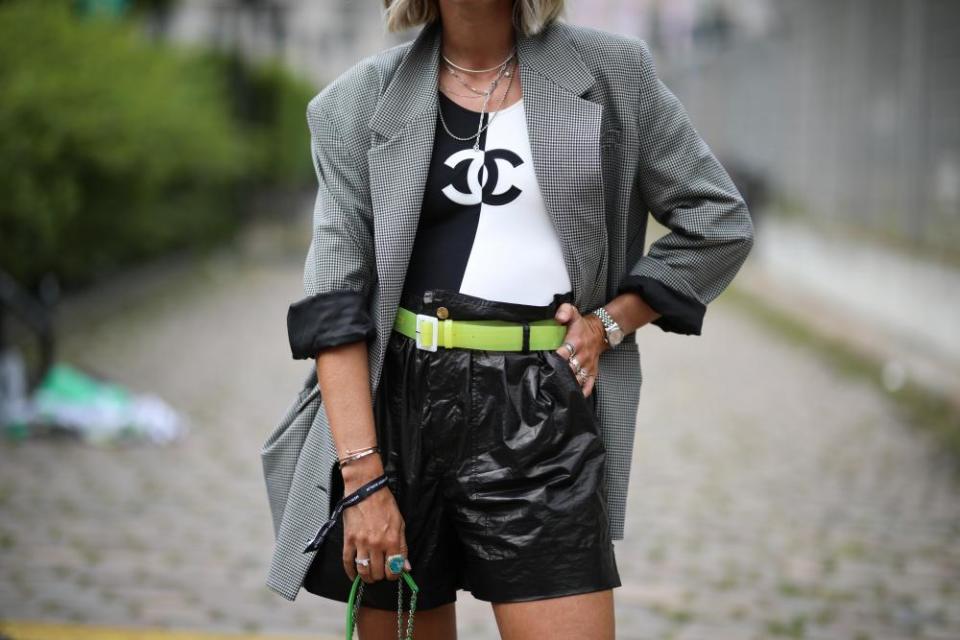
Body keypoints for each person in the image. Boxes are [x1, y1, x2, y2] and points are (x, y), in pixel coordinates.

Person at [272, 0, 755, 638]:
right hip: (398, 416)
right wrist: (363, 481)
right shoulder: (356, 103)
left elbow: (717, 221)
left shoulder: (614, 74)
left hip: (541, 407)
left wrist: (609, 322)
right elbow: (336, 303)